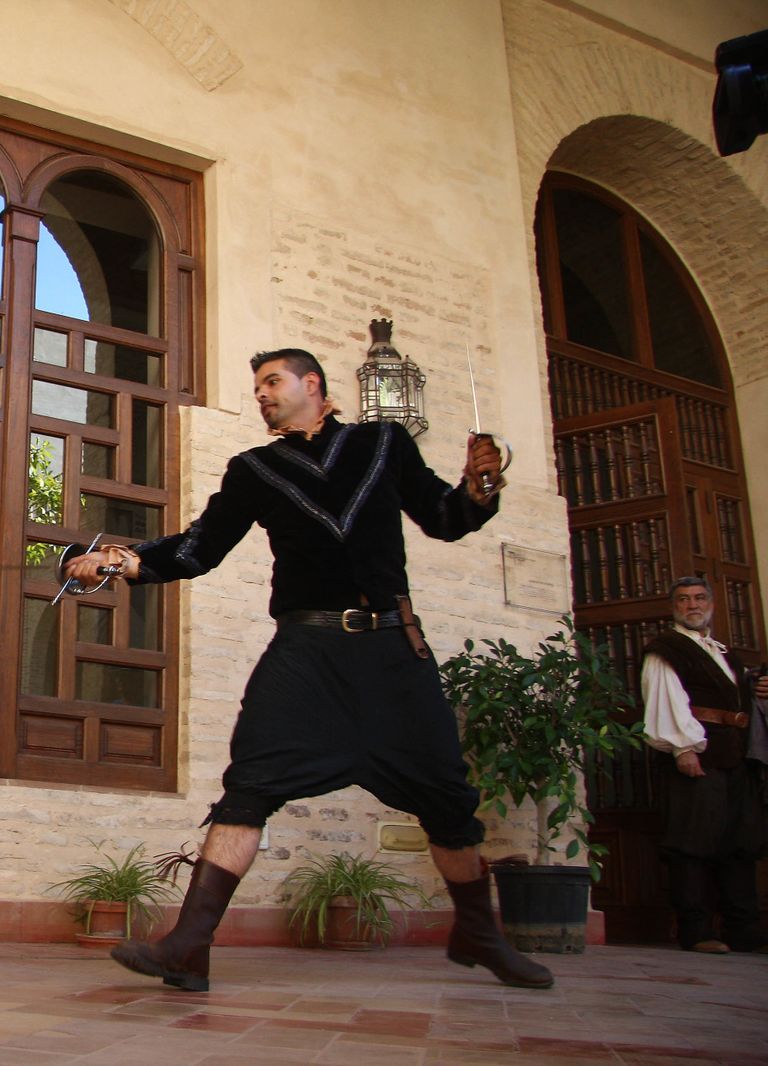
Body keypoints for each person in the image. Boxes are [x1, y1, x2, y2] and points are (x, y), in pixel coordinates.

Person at [63, 347, 553, 992]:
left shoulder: (383, 443)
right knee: (250, 788)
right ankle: (189, 943)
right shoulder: (255, 470)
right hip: (305, 654)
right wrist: (117, 560)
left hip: (391, 654)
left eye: (272, 381)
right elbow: (198, 548)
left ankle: (480, 936)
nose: (262, 394)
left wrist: (480, 485)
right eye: (258, 385)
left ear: (312, 384)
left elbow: (445, 518)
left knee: (448, 801)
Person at [640, 576, 768, 954]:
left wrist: (756, 685)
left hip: (736, 756)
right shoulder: (666, 649)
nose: (692, 605)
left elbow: (735, 697)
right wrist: (683, 749)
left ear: (711, 604)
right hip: (698, 754)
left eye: (699, 598)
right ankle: (696, 931)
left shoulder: (725, 653)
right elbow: (667, 699)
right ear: (674, 607)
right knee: (691, 842)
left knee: (740, 843)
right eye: (683, 600)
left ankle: (742, 928)